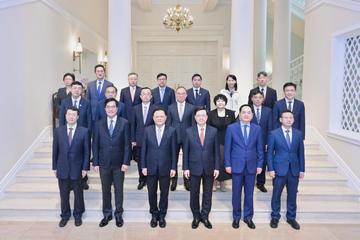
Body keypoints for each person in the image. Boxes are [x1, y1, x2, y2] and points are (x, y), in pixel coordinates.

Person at [92, 98, 131, 228]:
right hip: (103, 163)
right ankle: (107, 214)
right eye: (108, 107)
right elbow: (95, 145)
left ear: (117, 108)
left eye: (113, 106)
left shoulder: (124, 123)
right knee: (105, 190)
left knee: (119, 190)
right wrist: (95, 162)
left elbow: (127, 145)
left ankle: (118, 214)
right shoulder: (98, 124)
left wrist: (126, 162)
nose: (110, 109)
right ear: (105, 109)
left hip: (119, 164)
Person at [224, 104, 264, 229]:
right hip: (236, 165)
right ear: (240, 115)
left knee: (249, 193)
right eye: (244, 112)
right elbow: (227, 148)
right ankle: (236, 217)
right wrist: (228, 164)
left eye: (248, 112)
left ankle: (248, 217)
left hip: (252, 166)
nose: (246, 114)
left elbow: (260, 149)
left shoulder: (257, 129)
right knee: (236, 193)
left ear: (252, 115)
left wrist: (260, 164)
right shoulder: (231, 128)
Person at [52, 106, 90, 227]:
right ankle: (65, 215)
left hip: (77, 168)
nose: (71, 117)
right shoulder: (58, 131)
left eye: (74, 115)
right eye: (69, 114)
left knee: (78, 193)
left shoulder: (84, 131)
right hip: (62, 167)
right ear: (65, 116)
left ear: (78, 117)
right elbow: (55, 150)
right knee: (63, 194)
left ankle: (78, 215)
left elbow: (86, 152)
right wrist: (55, 167)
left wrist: (85, 168)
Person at [267, 110, 305, 230]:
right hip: (279, 169)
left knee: (292, 194)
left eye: (291, 118)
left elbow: (301, 153)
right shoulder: (274, 134)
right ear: (280, 120)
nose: (288, 119)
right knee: (277, 194)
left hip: (294, 169)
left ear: (293, 120)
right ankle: (275, 216)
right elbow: (269, 153)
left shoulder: (298, 134)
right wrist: (271, 168)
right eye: (286, 117)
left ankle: (291, 217)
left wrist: (302, 169)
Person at [183, 107, 220, 229]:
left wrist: (217, 167)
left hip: (209, 167)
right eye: (198, 115)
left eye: (203, 115)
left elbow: (216, 152)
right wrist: (185, 168)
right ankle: (196, 216)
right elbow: (186, 151)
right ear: (195, 117)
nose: (201, 117)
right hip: (193, 167)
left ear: (207, 117)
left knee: (207, 194)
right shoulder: (188, 131)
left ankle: (205, 216)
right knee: (194, 193)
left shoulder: (213, 131)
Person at [141, 107, 177, 228]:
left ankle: (162, 215)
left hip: (165, 167)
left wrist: (173, 167)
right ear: (153, 118)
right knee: (151, 192)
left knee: (164, 192)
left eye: (162, 116)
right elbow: (144, 150)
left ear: (166, 118)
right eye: (157, 116)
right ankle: (153, 213)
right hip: (150, 167)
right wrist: (143, 166)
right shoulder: (147, 130)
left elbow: (173, 151)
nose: (159, 118)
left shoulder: (172, 131)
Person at [59, 81, 91, 190]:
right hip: (68, 134)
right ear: (71, 89)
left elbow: (89, 119)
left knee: (83, 157)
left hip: (82, 136)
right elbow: (62, 119)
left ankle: (83, 181)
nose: (77, 90)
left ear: (82, 90)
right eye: (74, 88)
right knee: (69, 157)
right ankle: (69, 182)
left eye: (79, 88)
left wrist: (89, 134)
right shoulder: (65, 102)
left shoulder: (86, 102)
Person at [167, 86, 195, 191]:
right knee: (173, 159)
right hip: (174, 137)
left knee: (187, 159)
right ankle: (173, 181)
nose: (181, 95)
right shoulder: (170, 107)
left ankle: (187, 181)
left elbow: (193, 124)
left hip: (187, 137)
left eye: (183, 93)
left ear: (186, 95)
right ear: (175, 95)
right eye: (178, 93)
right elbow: (168, 123)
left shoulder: (191, 107)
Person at [207, 94, 236, 192]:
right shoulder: (210, 113)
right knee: (214, 161)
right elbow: (208, 128)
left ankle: (223, 182)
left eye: (222, 101)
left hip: (227, 140)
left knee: (225, 161)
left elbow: (234, 127)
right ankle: (214, 181)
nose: (220, 102)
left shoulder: (231, 113)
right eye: (218, 101)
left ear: (225, 102)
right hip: (214, 140)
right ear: (215, 102)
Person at [131, 87, 156, 190]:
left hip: (152, 140)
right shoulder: (135, 108)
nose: (146, 96)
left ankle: (150, 179)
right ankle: (142, 180)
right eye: (143, 94)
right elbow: (133, 125)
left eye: (148, 94)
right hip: (139, 139)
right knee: (140, 161)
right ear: (140, 96)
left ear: (151, 96)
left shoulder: (156, 108)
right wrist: (133, 139)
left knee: (151, 160)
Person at [250, 90, 273, 193]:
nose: (258, 99)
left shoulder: (268, 111)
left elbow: (270, 128)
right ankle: (248, 181)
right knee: (249, 161)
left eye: (260, 97)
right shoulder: (247, 109)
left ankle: (260, 183)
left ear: (263, 99)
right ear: (252, 99)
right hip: (249, 142)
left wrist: (269, 142)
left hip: (263, 142)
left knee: (262, 163)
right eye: (255, 97)